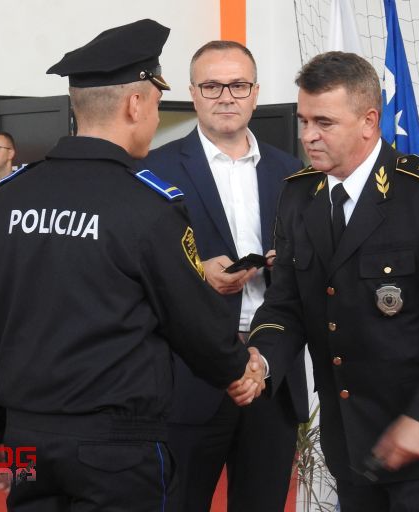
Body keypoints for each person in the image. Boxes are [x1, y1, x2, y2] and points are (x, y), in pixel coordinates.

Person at [0, 19, 264, 511]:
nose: (154, 117)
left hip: (27, 436)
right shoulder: (147, 205)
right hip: (118, 446)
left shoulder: (4, 202)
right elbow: (192, 317)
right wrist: (237, 369)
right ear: (135, 104)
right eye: (156, 104)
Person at [241, 52, 419, 511]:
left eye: (324, 122)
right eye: (304, 121)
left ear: (369, 121)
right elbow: (286, 304)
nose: (308, 136)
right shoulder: (298, 194)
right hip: (350, 442)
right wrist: (261, 359)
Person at [142, 40, 307, 512]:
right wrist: (196, 270)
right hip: (190, 372)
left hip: (271, 367)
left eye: (238, 85)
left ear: (256, 93)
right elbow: (135, 267)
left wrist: (287, 262)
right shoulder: (154, 169)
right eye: (212, 86)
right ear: (193, 93)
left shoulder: (291, 171)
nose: (226, 97)